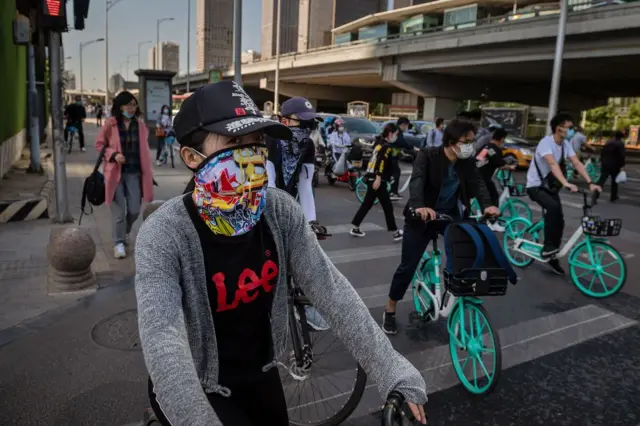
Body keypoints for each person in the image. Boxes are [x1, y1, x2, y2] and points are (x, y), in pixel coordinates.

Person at [136, 80, 428, 426]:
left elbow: (331, 291)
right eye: (234, 142)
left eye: (257, 142)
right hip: (195, 387)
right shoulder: (164, 234)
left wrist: (393, 370)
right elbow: (163, 340)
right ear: (190, 156)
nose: (252, 155)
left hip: (262, 375)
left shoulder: (279, 211)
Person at [382, 119, 499, 335]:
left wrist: (488, 205)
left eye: (472, 142)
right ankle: (390, 309)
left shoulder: (466, 161)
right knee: (408, 266)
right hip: (421, 217)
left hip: (449, 215)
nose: (470, 146)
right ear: (452, 141)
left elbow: (478, 183)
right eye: (467, 141)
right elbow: (417, 181)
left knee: (465, 252)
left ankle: (455, 295)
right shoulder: (428, 155)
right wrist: (419, 206)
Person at [526, 113, 602, 275]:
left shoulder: (565, 144)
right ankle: (548, 248)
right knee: (553, 209)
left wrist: (590, 182)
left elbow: (576, 162)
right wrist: (566, 183)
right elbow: (552, 164)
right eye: (569, 127)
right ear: (558, 128)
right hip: (536, 186)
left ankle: (553, 255)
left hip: (550, 188)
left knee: (559, 219)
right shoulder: (545, 143)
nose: (572, 131)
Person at [96, 91, 154, 259]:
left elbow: (144, 150)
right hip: (115, 174)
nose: (132, 108)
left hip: (135, 173)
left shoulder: (141, 126)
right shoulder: (111, 124)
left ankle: (125, 232)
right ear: (120, 107)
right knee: (119, 212)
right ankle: (118, 242)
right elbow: (99, 145)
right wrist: (113, 155)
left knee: (135, 210)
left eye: (134, 105)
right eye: (128, 105)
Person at [350, 124, 403, 241]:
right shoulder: (386, 147)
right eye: (396, 134)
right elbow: (381, 162)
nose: (396, 137)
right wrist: (379, 177)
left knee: (367, 204)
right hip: (378, 180)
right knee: (387, 206)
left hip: (371, 178)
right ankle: (395, 232)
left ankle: (355, 226)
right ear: (390, 134)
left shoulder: (379, 143)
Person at [476, 127, 517, 232]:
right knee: (493, 197)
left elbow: (481, 160)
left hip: (475, 176)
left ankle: (483, 215)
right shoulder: (495, 148)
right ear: (502, 139)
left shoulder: (486, 146)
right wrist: (511, 167)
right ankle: (492, 222)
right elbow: (499, 163)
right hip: (483, 179)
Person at [597, 130, 626, 203]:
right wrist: (622, 165)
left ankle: (596, 194)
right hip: (615, 165)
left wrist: (602, 160)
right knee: (614, 181)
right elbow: (621, 156)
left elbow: (602, 152)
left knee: (602, 179)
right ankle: (613, 196)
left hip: (605, 163)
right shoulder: (620, 144)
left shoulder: (608, 142)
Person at [389, 117, 413, 201]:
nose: (406, 128)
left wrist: (403, 153)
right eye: (406, 126)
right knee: (396, 172)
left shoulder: (396, 130)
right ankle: (392, 192)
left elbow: (396, 145)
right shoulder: (397, 131)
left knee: (390, 173)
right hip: (390, 156)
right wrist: (412, 147)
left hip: (391, 155)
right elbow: (401, 142)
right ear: (403, 125)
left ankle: (390, 190)